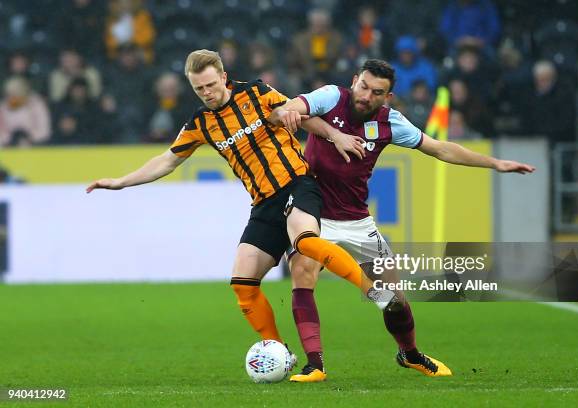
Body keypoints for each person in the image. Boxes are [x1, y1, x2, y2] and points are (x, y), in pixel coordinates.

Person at [86, 49, 390, 370]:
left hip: (298, 184)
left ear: (223, 78)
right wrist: (121, 182)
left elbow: (299, 113)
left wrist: (335, 134)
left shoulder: (256, 93)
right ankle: (279, 353)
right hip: (263, 204)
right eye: (199, 89)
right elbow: (167, 160)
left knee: (306, 243)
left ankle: (374, 292)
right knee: (242, 284)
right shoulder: (201, 123)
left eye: (211, 85)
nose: (207, 93)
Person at [268, 59, 535, 382]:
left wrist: (495, 163)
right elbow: (287, 110)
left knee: (393, 301)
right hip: (313, 211)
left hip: (357, 220)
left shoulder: (390, 123)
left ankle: (409, 354)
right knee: (303, 273)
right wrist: (333, 134)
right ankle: (315, 364)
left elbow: (440, 149)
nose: (366, 95)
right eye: (363, 86)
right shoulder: (330, 96)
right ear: (355, 81)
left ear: (388, 97)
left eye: (376, 92)